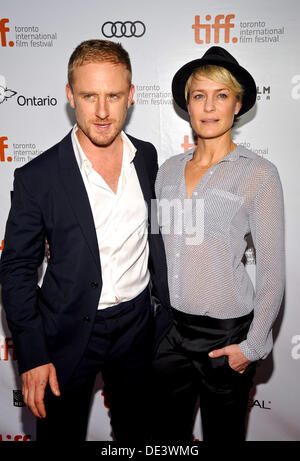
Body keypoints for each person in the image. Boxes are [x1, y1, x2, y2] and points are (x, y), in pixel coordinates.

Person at [0, 39, 172, 442]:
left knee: (139, 438)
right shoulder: (37, 176)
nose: (101, 111)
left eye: (113, 95)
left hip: (136, 327)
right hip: (66, 331)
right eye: (88, 95)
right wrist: (33, 355)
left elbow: (160, 240)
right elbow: (17, 268)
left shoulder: (146, 158)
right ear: (69, 96)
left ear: (131, 96)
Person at [152, 46, 285, 441]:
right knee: (167, 440)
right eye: (199, 95)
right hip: (169, 334)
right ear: (187, 105)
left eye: (222, 95)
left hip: (227, 338)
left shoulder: (258, 174)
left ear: (238, 104)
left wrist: (253, 344)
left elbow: (273, 270)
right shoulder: (167, 171)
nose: (209, 106)